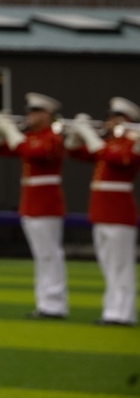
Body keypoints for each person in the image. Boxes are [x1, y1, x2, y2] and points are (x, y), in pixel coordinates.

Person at [0, 92, 68, 319]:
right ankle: (46, 304)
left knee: (50, 255)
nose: (29, 115)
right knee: (42, 256)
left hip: (47, 204)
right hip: (32, 203)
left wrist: (10, 130)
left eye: (35, 111)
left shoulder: (52, 137)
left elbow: (33, 152)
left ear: (46, 114)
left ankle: (55, 305)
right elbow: (1, 149)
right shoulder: (33, 136)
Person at [64, 97, 140, 326]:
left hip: (119, 212)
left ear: (127, 120)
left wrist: (90, 135)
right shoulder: (109, 142)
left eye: (114, 118)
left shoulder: (133, 141)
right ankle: (112, 309)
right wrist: (77, 133)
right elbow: (76, 153)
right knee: (108, 264)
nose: (108, 122)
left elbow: (118, 159)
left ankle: (123, 312)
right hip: (102, 211)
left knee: (121, 265)